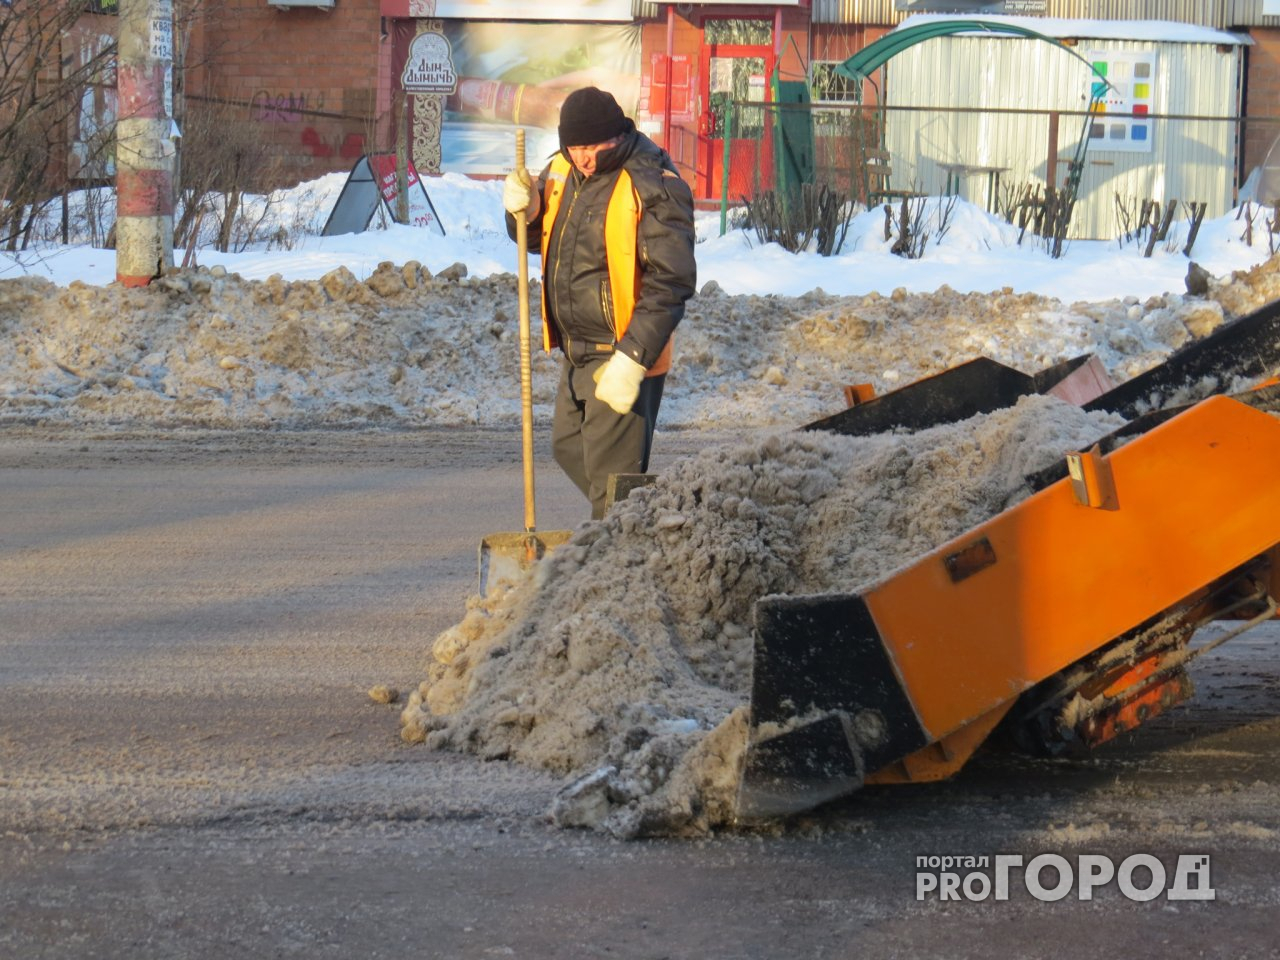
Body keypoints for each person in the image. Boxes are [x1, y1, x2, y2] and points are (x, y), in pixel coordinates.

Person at [503, 86, 696, 520]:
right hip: (577, 348)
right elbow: (538, 239)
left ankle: (619, 546)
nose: (584, 158)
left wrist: (633, 359)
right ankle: (644, 522)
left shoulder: (652, 183)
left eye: (592, 147)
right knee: (568, 446)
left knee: (611, 487)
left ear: (618, 135)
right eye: (575, 148)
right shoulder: (561, 170)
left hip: (622, 350)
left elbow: (672, 280)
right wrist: (525, 213)